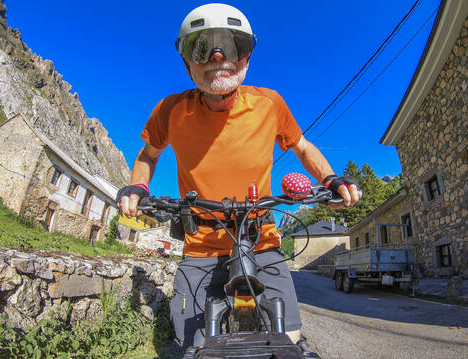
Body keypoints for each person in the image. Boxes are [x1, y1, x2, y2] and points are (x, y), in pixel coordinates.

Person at [117, 3, 362, 350]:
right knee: (193, 345)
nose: (219, 56)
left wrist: (331, 180)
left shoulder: (269, 104)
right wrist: (138, 186)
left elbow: (302, 147)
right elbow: (148, 154)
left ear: (246, 58)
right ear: (188, 64)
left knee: (289, 340)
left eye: (232, 46)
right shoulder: (170, 111)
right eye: (203, 47)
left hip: (261, 240)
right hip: (201, 247)